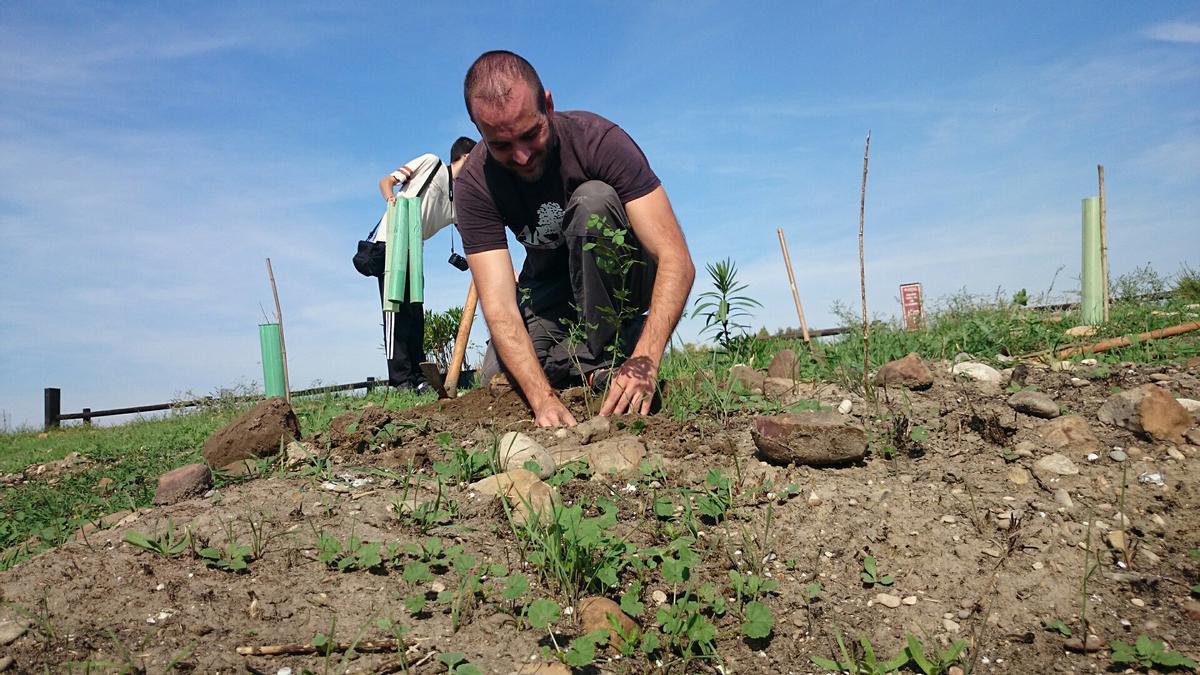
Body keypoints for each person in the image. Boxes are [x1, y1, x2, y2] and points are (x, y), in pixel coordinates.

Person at [455, 51, 695, 427]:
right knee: (498, 379)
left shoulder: (598, 140)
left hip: (620, 275)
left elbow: (675, 257)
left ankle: (608, 354)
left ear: (548, 105)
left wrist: (646, 358)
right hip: (550, 286)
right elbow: (499, 304)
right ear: (477, 128)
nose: (521, 156)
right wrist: (542, 399)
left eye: (530, 134)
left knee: (593, 202)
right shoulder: (474, 184)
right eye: (501, 145)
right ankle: (587, 360)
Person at [369, 136, 476, 390]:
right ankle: (400, 380)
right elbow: (386, 181)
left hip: (415, 250)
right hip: (392, 241)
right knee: (395, 310)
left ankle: (418, 379)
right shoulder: (430, 163)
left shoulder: (458, 200)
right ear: (468, 158)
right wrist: (391, 200)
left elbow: (471, 236)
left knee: (415, 314)